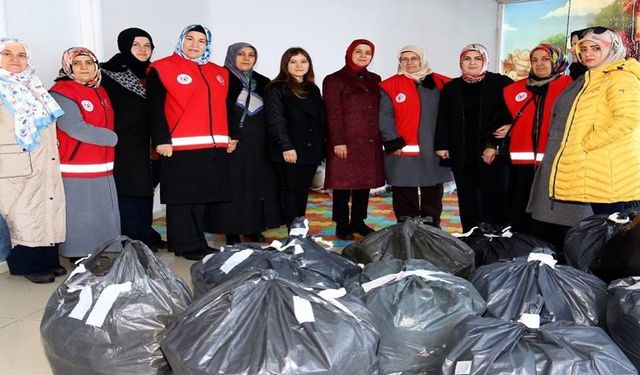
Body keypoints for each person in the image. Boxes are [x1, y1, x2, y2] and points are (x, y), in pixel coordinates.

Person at [148, 24, 232, 260]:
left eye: (201, 41)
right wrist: (161, 140)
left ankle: (199, 242)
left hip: (210, 146)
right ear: (181, 40)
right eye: (190, 39)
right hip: (178, 146)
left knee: (201, 197)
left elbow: (223, 108)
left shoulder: (219, 72)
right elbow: (154, 109)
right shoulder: (162, 68)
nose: (195, 45)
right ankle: (184, 244)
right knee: (182, 198)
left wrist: (228, 137)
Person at [550, 27, 640, 215]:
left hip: (611, 171)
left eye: (596, 48)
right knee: (607, 230)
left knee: (610, 232)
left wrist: (588, 142)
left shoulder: (619, 77)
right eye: (584, 49)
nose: (588, 53)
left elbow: (629, 118)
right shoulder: (596, 77)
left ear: (612, 49)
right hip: (601, 169)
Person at [0, 38, 66, 283]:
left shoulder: (34, 86)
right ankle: (26, 264)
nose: (15, 59)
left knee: (47, 207)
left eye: (21, 55)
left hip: (44, 159)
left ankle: (48, 259)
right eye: (7, 53)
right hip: (13, 164)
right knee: (21, 213)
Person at [207, 42, 283, 244]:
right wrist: (227, 135)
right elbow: (215, 109)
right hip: (231, 142)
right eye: (241, 54)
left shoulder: (263, 81)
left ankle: (254, 228)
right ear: (232, 56)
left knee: (257, 185)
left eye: (251, 55)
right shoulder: (220, 78)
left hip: (258, 143)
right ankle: (231, 230)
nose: (246, 58)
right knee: (233, 185)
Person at [50, 47, 120, 262]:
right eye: (77, 63)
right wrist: (113, 138)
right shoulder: (61, 92)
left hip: (101, 165)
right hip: (76, 168)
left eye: (88, 63)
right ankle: (78, 255)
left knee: (99, 212)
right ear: (68, 67)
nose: (83, 67)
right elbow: (74, 127)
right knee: (79, 215)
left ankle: (98, 251)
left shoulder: (99, 90)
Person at [435, 43, 513, 232]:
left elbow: (511, 115)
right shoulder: (451, 88)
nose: (472, 62)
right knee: (467, 196)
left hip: (492, 152)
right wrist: (442, 144)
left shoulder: (501, 83)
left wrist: (494, 145)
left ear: (485, 60)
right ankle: (471, 234)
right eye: (467, 58)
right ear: (461, 62)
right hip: (462, 152)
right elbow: (443, 118)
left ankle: (496, 236)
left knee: (494, 196)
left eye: (477, 58)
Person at [101, 27, 164, 251]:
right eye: (136, 44)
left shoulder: (155, 72)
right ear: (125, 46)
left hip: (151, 144)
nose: (142, 49)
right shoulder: (106, 73)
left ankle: (144, 234)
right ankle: (130, 238)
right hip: (123, 143)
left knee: (147, 188)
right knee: (127, 191)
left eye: (147, 45)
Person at [501, 44, 572, 234]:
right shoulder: (514, 89)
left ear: (557, 61)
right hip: (521, 161)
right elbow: (502, 118)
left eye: (545, 59)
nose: (539, 64)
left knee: (550, 210)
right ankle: (521, 245)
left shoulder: (570, 87)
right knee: (521, 207)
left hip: (554, 161)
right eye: (535, 60)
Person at [379, 45, 452, 224]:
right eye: (405, 59)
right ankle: (406, 229)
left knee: (433, 194)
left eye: (414, 58)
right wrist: (392, 140)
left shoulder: (442, 83)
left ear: (422, 59)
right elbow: (384, 116)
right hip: (403, 151)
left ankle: (431, 229)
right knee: (404, 194)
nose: (409, 62)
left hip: (433, 151)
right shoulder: (389, 86)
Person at [323, 39, 384, 240]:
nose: (363, 55)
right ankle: (342, 224)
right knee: (342, 184)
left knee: (363, 184)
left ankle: (358, 221)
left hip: (369, 141)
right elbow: (333, 113)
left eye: (368, 52)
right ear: (349, 53)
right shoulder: (334, 80)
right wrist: (338, 141)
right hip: (345, 141)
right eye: (358, 51)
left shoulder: (375, 79)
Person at [265, 47, 325, 227]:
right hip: (289, 150)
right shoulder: (276, 88)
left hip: (311, 150)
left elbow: (319, 120)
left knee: (302, 191)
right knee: (290, 190)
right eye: (293, 62)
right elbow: (276, 120)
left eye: (303, 61)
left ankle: (300, 228)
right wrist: (286, 146)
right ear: (285, 65)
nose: (299, 66)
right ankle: (293, 231)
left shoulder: (312, 89)